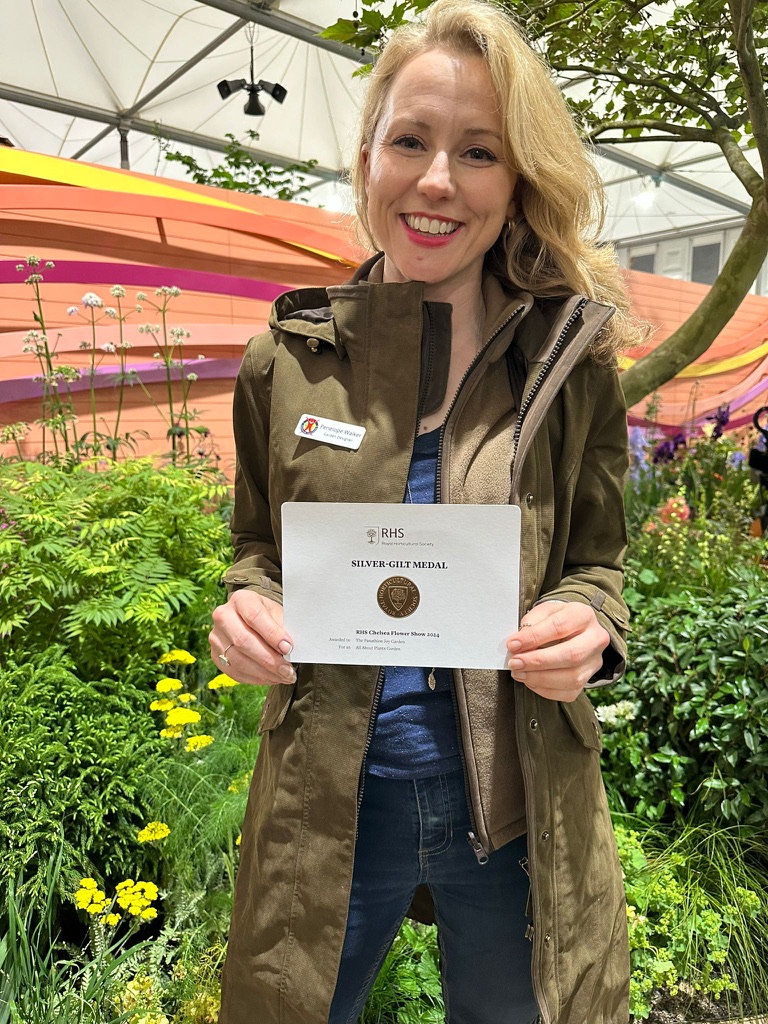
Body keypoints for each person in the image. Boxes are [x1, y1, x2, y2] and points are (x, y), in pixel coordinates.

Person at [210, 1, 636, 1021]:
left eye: (479, 151)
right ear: (368, 159)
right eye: (411, 140)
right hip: (328, 811)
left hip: (516, 811)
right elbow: (258, 547)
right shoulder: (289, 362)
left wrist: (590, 622)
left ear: (518, 178)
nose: (438, 180)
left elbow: (599, 562)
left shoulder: (569, 366)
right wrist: (247, 608)